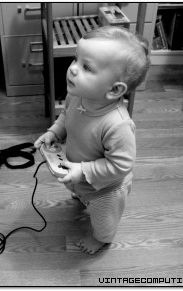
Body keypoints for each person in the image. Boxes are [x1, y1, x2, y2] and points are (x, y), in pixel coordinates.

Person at [34, 26, 150, 254]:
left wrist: (82, 170)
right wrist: (54, 132)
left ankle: (101, 239)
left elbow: (121, 164)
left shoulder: (118, 124)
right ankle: (80, 194)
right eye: (76, 59)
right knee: (79, 190)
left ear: (114, 90)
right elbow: (66, 117)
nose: (73, 69)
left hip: (106, 189)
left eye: (86, 67)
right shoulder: (76, 96)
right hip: (82, 175)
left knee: (103, 219)